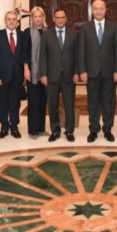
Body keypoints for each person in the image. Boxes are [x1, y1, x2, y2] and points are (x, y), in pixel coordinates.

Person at [78, 0, 117, 142]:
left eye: (101, 8)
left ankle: (107, 129)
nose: (98, 11)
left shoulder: (114, 27)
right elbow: (81, 51)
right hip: (91, 72)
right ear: (92, 11)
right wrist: (82, 71)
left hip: (110, 72)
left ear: (105, 10)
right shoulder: (85, 28)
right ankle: (94, 130)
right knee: (93, 102)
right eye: (96, 9)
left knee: (109, 102)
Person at [39, 8, 79, 142]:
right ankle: (55, 130)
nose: (60, 20)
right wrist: (43, 74)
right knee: (52, 105)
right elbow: (43, 56)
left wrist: (77, 72)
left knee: (69, 104)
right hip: (52, 76)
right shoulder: (46, 35)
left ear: (66, 19)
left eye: (62, 17)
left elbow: (78, 55)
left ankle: (69, 130)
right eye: (58, 17)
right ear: (54, 19)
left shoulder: (74, 34)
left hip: (69, 76)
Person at [0, 10, 26, 138]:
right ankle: (4, 127)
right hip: (2, 76)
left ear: (17, 22)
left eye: (14, 19)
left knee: (15, 102)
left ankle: (14, 127)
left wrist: (24, 75)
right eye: (9, 19)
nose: (11, 21)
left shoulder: (22, 35)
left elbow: (25, 56)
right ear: (5, 21)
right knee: (3, 102)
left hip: (17, 76)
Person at [22, 6, 48, 138]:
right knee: (33, 101)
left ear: (43, 17)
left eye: (40, 16)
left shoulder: (48, 31)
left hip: (46, 72)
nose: (38, 19)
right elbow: (25, 52)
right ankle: (33, 130)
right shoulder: (27, 32)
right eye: (35, 16)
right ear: (32, 18)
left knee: (43, 100)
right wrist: (26, 69)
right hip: (32, 71)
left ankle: (41, 129)